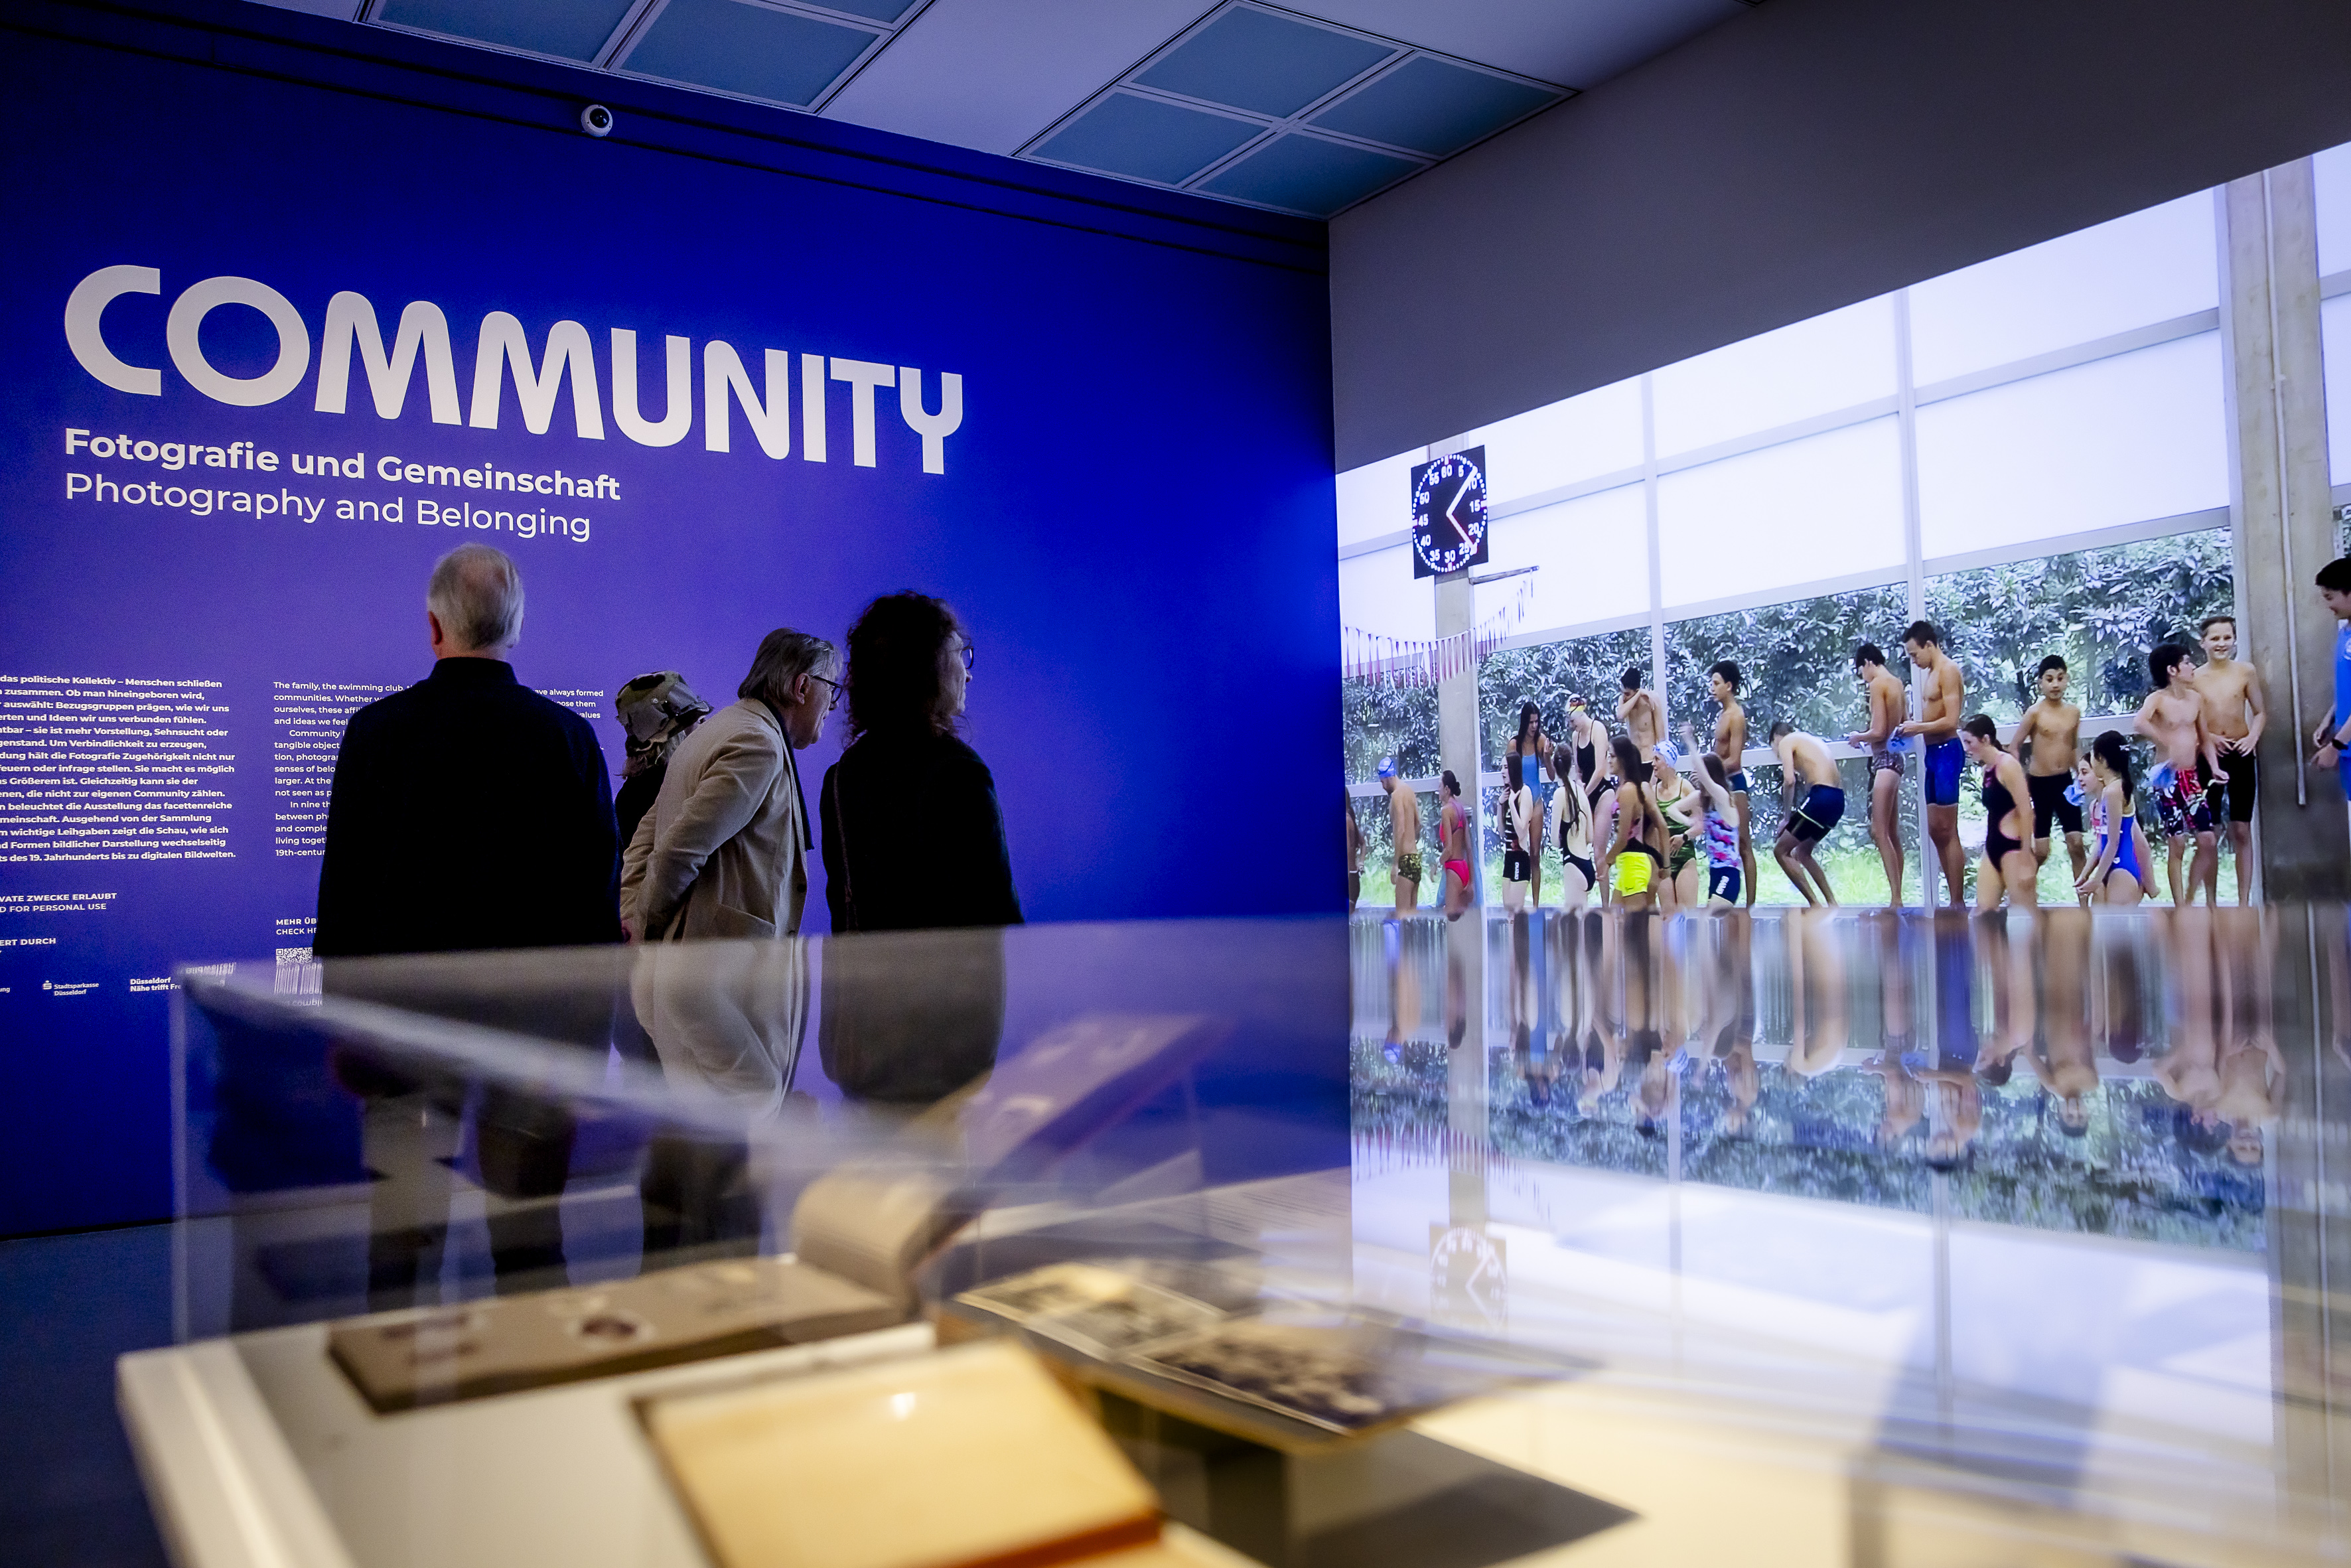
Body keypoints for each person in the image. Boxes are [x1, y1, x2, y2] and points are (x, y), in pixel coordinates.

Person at [315, 544, 621, 958]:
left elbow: (344, 895)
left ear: (434, 627)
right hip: (534, 1008)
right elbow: (595, 896)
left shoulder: (374, 731)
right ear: (518, 627)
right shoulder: (570, 737)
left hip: (400, 1008)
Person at [819, 593, 1021, 933]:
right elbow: (996, 914)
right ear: (931, 665)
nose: (968, 675)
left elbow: (844, 912)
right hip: (951, 983)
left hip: (867, 983)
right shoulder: (960, 772)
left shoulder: (841, 778)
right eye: (960, 654)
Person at [632, 628, 837, 942]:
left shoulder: (713, 730)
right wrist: (645, 931)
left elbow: (645, 840)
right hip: (722, 978)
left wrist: (631, 918)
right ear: (803, 686)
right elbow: (678, 852)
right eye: (832, 689)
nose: (833, 706)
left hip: (694, 969)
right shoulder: (759, 743)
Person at [2134, 642, 2222, 906]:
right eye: (2187, 662)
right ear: (2172, 670)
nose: (2192, 666)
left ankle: (2193, 895)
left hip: (2191, 778)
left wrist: (2215, 767)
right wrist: (2164, 741)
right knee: (2178, 843)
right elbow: (2139, 722)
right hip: (2168, 780)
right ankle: (2180, 904)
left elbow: (2205, 738)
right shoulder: (2158, 699)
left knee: (2207, 840)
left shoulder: (2196, 699)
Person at [2190, 615, 2264, 904]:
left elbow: (2260, 712)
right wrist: (2208, 738)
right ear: (2203, 643)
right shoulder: (2194, 678)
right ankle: (2211, 901)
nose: (2221, 643)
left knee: (2241, 829)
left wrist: (2252, 738)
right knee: (2211, 832)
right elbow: (2191, 721)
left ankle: (2244, 901)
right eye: (2215, 638)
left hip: (2242, 753)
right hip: (2209, 757)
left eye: (2226, 638)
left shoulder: (2246, 672)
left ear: (2234, 640)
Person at [1894, 620, 1965, 907]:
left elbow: (1951, 720)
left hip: (1948, 751)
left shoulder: (1948, 671)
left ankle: (1958, 901)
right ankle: (1952, 897)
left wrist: (1918, 728)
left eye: (1915, 654)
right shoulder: (1930, 674)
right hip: (1933, 754)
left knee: (1948, 828)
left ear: (1929, 645)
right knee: (1936, 829)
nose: (1914, 660)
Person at [2009, 656, 2085, 898]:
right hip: (2040, 785)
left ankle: (2085, 903)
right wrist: (2017, 781)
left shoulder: (2074, 713)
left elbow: (2073, 748)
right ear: (2041, 683)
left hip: (2065, 783)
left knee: (2077, 844)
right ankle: (2018, 893)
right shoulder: (2034, 713)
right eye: (2049, 679)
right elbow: (2015, 746)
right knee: (2041, 851)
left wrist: (2083, 775)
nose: (2055, 685)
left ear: (2067, 680)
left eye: (2060, 679)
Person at [612, 672, 713, 849]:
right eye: (696, 720)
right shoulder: (669, 788)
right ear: (674, 734)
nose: (704, 724)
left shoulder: (634, 792)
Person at [1847, 643, 1907, 906]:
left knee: (1879, 830)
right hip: (1897, 757)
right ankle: (1898, 894)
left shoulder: (1877, 685)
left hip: (1884, 759)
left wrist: (1858, 736)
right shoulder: (1897, 683)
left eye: (1861, 672)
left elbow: (1880, 730)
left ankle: (1896, 899)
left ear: (1867, 664)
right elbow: (1904, 723)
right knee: (1892, 832)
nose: (1863, 678)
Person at [1961, 714, 2036, 908]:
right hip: (1993, 846)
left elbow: (2026, 811)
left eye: (1969, 742)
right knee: (1982, 914)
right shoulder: (1988, 769)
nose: (1967, 749)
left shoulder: (2008, 765)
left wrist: (2027, 858)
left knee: (2024, 917)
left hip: (2014, 848)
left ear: (1985, 739)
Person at [1770, 720, 1844, 906]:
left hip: (1821, 797)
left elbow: (1789, 781)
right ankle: (1832, 903)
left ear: (1776, 740)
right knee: (1803, 852)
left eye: (1777, 754)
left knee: (1781, 851)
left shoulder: (1787, 742)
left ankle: (1815, 905)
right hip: (1837, 800)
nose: (1780, 757)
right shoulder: (1809, 741)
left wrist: (1787, 818)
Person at [1706, 661, 1758, 908]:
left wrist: (1708, 772)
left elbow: (1735, 761)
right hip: (1721, 787)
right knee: (1723, 844)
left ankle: (1750, 906)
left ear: (1729, 686)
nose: (1712, 688)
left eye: (1716, 684)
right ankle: (1727, 897)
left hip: (1734, 785)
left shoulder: (1736, 716)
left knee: (1743, 843)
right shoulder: (1722, 715)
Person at [2076, 731, 2147, 906]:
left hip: (2123, 868)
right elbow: (2103, 841)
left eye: (2093, 755)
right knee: (2101, 929)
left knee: (2116, 929)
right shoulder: (2109, 793)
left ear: (2101, 759)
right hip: (2109, 867)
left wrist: (2096, 879)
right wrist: (2087, 875)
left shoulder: (2114, 791)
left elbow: (2115, 842)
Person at [1601, 735, 1670, 910]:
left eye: (1613, 756)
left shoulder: (1630, 790)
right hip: (1626, 864)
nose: (1609, 761)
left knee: (1636, 930)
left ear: (1623, 759)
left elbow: (1624, 837)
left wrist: (1606, 862)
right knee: (1615, 926)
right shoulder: (1623, 789)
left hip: (1634, 863)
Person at [2313, 560, 2351, 818]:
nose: (2328, 605)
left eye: (2331, 597)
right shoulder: (2345, 632)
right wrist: (2329, 720)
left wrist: (2336, 746)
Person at [1548, 745, 1597, 909]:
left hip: (1573, 865)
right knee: (1583, 926)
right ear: (1571, 766)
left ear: (1555, 766)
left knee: (1574, 928)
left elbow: (1555, 840)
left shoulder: (1560, 794)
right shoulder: (1582, 793)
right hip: (1588, 866)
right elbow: (1590, 837)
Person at [1694, 754, 1743, 908]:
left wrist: (1689, 742)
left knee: (1710, 915)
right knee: (1713, 923)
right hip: (1715, 872)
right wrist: (1688, 821)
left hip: (1729, 872)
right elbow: (1675, 809)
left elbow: (1708, 781)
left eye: (1699, 771)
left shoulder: (1723, 797)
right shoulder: (1707, 802)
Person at [1378, 757, 1422, 912]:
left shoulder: (1397, 796)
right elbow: (1418, 823)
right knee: (1412, 922)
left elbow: (1400, 829)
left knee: (1402, 919)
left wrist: (1396, 863)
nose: (1383, 786)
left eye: (1383, 782)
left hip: (1405, 862)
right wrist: (1411, 842)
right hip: (1415, 861)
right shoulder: (1409, 791)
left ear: (1390, 777)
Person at [1437, 770, 1475, 918]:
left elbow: (1449, 849)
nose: (1437, 791)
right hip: (1464, 868)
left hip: (1453, 869)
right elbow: (1469, 847)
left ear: (1447, 789)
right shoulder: (1460, 808)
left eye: (1439, 787)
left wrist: (1437, 863)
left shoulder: (1446, 811)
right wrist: (1471, 881)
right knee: (1456, 917)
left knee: (1451, 918)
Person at [1498, 760, 1534, 913]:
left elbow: (1521, 832)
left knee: (1516, 913)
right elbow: (1501, 832)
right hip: (1509, 858)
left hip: (1520, 857)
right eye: (1501, 768)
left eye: (1506, 767)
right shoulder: (1509, 796)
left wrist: (1512, 803)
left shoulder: (1525, 792)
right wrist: (1501, 805)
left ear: (1514, 769)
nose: (1502, 772)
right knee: (1509, 912)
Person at [1618, 666, 1663, 762]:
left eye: (1628, 694)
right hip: (1635, 760)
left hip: (1650, 758)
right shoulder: (1623, 701)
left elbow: (1661, 737)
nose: (1625, 697)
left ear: (1637, 689)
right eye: (1623, 693)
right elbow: (1620, 716)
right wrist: (1639, 694)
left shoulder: (1652, 700)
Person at [1346, 792, 1365, 912]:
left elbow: (1346, 849)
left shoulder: (1346, 820)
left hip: (1349, 877)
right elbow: (1363, 843)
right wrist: (1361, 862)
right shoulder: (1349, 818)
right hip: (1353, 876)